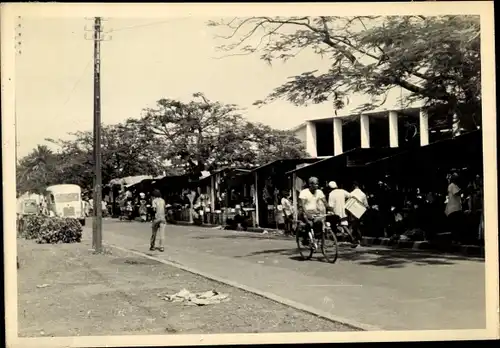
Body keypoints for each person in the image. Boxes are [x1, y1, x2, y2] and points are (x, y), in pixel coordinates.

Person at [298, 177, 328, 247]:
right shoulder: (304, 192)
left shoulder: (319, 192)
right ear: (310, 185)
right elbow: (302, 205)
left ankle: (318, 239)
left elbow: (325, 202)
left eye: (317, 184)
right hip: (304, 211)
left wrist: (331, 209)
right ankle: (305, 238)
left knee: (320, 223)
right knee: (309, 223)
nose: (317, 186)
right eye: (315, 184)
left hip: (315, 211)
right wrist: (306, 213)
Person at [328, 181, 359, 247]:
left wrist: (330, 212)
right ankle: (353, 239)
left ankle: (335, 241)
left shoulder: (331, 194)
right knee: (344, 226)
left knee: (333, 227)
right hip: (343, 212)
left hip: (336, 213)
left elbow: (331, 206)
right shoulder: (342, 191)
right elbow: (351, 196)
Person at [445, 172, 464, 244]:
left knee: (456, 225)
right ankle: (455, 240)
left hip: (456, 208)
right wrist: (464, 190)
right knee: (455, 225)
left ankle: (455, 240)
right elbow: (457, 193)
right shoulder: (452, 185)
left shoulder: (455, 186)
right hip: (453, 209)